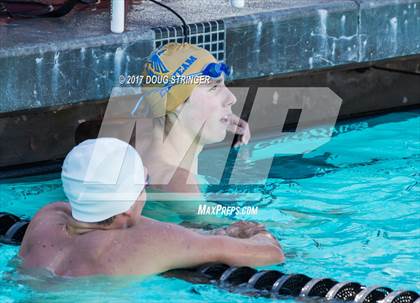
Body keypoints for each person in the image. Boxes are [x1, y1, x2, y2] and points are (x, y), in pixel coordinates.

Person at [19, 138, 284, 277]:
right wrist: (258, 233)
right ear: (126, 208)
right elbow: (270, 254)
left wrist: (209, 235)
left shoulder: (46, 217)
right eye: (143, 184)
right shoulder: (151, 242)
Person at [134, 43, 251, 222]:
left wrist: (220, 117)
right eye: (214, 88)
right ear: (177, 103)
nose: (231, 98)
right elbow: (239, 240)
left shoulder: (139, 134)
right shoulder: (178, 184)